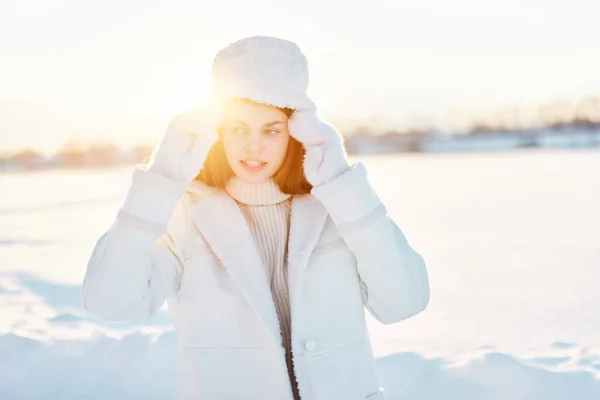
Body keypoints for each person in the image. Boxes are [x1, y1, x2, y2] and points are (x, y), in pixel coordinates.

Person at [81, 35, 430, 400]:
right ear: (217, 134)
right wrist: (162, 179)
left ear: (295, 134)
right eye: (238, 128)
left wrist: (343, 183)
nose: (253, 145)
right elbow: (110, 302)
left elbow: (403, 301)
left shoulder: (337, 207)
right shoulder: (186, 215)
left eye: (271, 130)